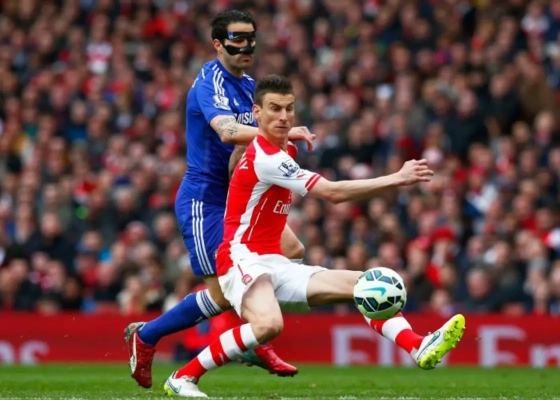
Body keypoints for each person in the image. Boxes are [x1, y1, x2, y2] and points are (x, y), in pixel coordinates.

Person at [162, 74, 466, 398]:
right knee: (269, 325)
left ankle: (417, 345)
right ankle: (183, 377)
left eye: (289, 108)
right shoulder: (267, 157)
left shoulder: (284, 150)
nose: (283, 116)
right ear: (256, 113)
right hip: (240, 260)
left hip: (274, 263)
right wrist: (397, 178)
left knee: (366, 285)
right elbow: (333, 193)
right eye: (274, 108)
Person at [125, 10, 315, 389]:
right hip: (205, 198)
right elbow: (227, 131)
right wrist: (285, 132)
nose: (246, 46)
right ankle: (148, 336)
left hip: (240, 197)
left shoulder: (250, 86)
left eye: (251, 38)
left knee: (292, 249)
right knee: (222, 293)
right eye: (237, 39)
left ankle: (253, 332)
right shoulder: (209, 82)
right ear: (218, 43)